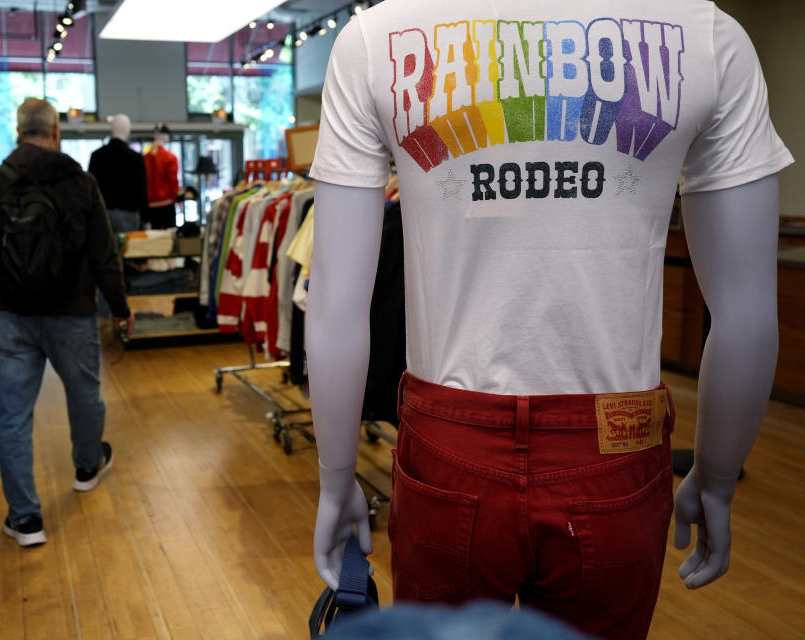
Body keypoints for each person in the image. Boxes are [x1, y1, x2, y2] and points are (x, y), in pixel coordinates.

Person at [307, 2, 793, 640]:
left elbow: (338, 304)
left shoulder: (375, 40)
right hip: (613, 448)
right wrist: (720, 474)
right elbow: (749, 316)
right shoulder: (705, 37)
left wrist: (336, 476)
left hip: (450, 446)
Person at [0, 98, 135, 547]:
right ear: (55, 131)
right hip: (72, 314)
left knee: (12, 416)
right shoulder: (80, 184)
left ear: (19, 131)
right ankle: (86, 466)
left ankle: (25, 520)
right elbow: (103, 255)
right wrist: (119, 305)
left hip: (10, 319)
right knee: (85, 396)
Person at [87, 113, 147, 233]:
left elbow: (91, 189)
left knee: (105, 249)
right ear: (128, 131)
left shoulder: (97, 156)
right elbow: (142, 191)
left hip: (103, 214)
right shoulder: (136, 158)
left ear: (112, 129)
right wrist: (146, 219)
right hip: (129, 213)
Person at [144, 123, 180, 229]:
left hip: (150, 206)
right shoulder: (170, 158)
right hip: (166, 205)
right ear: (165, 136)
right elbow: (173, 182)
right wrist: (177, 199)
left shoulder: (145, 158)